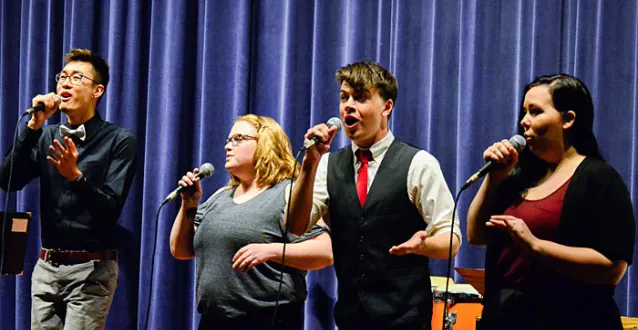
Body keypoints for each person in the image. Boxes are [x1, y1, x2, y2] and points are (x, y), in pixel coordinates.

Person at [287, 61, 461, 330]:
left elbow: (452, 240)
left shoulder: (419, 163)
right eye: (344, 97)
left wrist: (422, 246)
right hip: (350, 318)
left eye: (361, 97)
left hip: (405, 319)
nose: (349, 105)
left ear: (387, 107)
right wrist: (309, 165)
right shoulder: (326, 165)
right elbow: (295, 226)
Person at [466, 74, 635, 330]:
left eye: (535, 112)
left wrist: (536, 245)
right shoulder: (519, 175)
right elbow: (476, 234)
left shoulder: (599, 179)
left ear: (568, 119)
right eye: (524, 112)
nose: (524, 121)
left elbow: (612, 268)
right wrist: (494, 179)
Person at [0, 49, 138, 329]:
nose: (65, 83)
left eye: (77, 78)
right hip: (46, 267)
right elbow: (8, 180)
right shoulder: (48, 135)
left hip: (92, 269)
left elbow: (110, 209)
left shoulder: (119, 141)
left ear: (97, 90)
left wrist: (75, 177)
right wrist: (33, 126)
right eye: (62, 77)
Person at [169, 114, 333, 330]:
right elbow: (180, 250)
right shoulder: (221, 197)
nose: (229, 146)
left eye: (239, 139)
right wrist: (188, 205)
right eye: (228, 140)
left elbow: (325, 252)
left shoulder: (288, 192)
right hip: (214, 321)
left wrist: (271, 251)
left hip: (269, 319)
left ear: (266, 144)